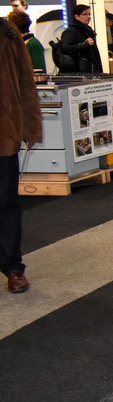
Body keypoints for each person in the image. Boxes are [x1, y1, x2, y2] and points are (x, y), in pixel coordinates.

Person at [2, 17, 41, 294]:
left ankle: (13, 267)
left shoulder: (7, 33)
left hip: (4, 135)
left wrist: (30, 127)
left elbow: (26, 82)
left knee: (7, 204)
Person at [59, 4, 102, 73]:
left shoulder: (88, 30)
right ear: (77, 16)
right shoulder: (71, 31)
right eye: (84, 14)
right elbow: (65, 48)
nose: (88, 17)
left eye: (89, 14)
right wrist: (84, 45)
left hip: (90, 69)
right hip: (78, 70)